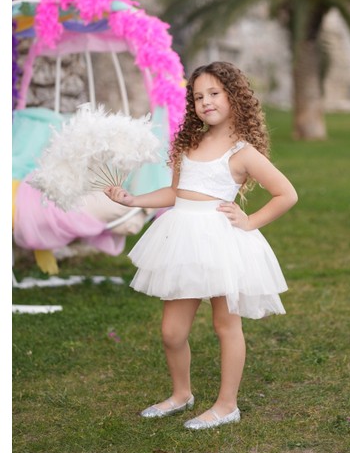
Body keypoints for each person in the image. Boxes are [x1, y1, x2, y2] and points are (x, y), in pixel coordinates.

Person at [104, 61, 298, 430]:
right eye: (197, 97)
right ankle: (182, 394)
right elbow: (176, 192)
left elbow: (286, 194)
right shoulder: (189, 144)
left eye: (214, 93)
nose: (205, 101)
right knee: (172, 332)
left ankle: (227, 405)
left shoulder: (242, 152)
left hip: (220, 242)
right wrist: (134, 200)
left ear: (233, 97)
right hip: (183, 240)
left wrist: (249, 221)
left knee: (226, 325)